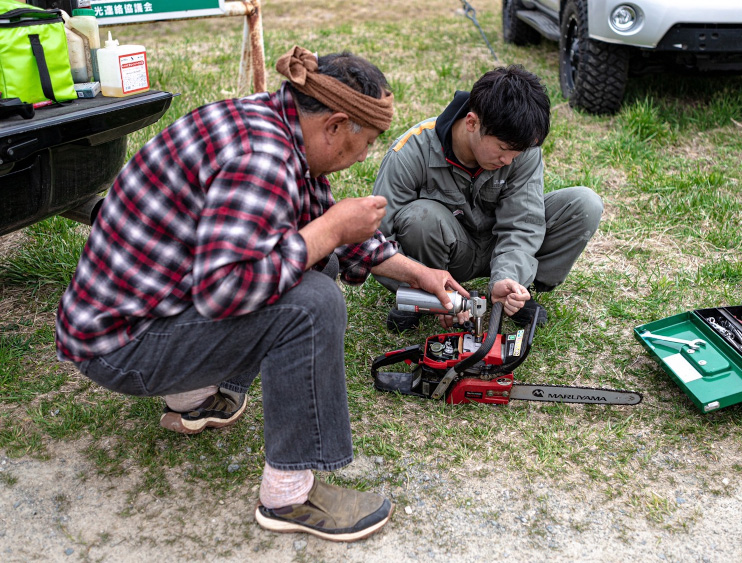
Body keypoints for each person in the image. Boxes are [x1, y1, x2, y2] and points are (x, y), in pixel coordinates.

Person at [55, 46, 467, 543]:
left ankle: (193, 397)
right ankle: (289, 495)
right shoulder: (263, 158)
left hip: (134, 318)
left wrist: (419, 273)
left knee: (321, 259)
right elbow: (223, 289)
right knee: (312, 303)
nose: (364, 156)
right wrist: (331, 230)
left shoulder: (275, 124)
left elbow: (319, 234)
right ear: (335, 125)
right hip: (121, 347)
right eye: (367, 141)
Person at [372, 65, 603, 331]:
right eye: (503, 149)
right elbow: (378, 241)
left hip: (496, 244)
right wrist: (414, 283)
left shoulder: (521, 147)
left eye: (517, 153)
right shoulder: (410, 153)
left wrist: (508, 279)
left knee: (584, 205)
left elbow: (523, 223)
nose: (508, 160)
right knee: (420, 217)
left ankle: (516, 296)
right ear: (472, 123)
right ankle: (425, 299)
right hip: (447, 254)